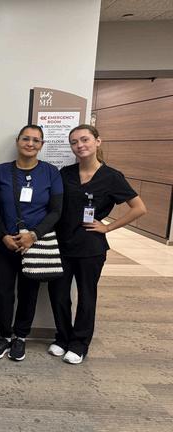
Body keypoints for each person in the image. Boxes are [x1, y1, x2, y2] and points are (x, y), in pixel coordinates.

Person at [48, 124, 147, 364]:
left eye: (85, 140)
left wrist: (108, 227)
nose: (80, 145)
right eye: (74, 142)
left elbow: (139, 208)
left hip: (90, 247)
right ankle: (62, 338)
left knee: (86, 295)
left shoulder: (112, 177)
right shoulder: (65, 173)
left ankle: (79, 344)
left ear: (97, 142)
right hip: (62, 243)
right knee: (58, 294)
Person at [0, 125, 63, 362]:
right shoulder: (1, 171)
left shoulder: (51, 172)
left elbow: (56, 211)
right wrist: (3, 236)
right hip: (5, 244)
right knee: (3, 292)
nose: (30, 143)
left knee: (29, 293)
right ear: (18, 141)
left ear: (41, 145)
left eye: (36, 140)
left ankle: (20, 337)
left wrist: (34, 235)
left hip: (35, 245)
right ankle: (3, 336)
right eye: (26, 139)